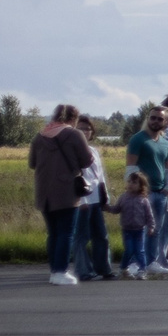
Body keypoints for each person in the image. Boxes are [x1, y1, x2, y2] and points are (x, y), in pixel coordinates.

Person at [28, 105, 94, 287]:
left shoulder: (40, 136)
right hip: (66, 190)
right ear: (74, 118)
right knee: (66, 233)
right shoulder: (74, 134)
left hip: (44, 192)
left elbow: (32, 163)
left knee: (53, 233)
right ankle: (61, 271)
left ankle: (54, 270)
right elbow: (87, 160)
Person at [126, 107, 168, 273]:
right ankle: (134, 263)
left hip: (160, 193)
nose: (155, 121)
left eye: (160, 119)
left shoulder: (165, 143)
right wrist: (134, 191)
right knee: (139, 229)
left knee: (156, 229)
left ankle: (152, 261)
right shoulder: (138, 139)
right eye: (153, 118)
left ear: (166, 122)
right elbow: (131, 167)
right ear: (148, 119)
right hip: (144, 193)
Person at [73, 118, 116, 281]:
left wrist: (105, 197)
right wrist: (81, 201)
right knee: (81, 237)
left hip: (96, 198)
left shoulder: (93, 151)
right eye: (80, 129)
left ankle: (104, 268)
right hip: (83, 199)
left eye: (87, 129)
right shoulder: (72, 151)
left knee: (101, 236)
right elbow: (74, 179)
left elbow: (100, 176)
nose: (84, 132)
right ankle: (83, 271)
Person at [117, 170, 156, 277]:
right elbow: (117, 209)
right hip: (127, 230)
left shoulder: (143, 200)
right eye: (129, 182)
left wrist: (151, 227)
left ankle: (142, 269)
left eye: (134, 183)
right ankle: (124, 268)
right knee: (129, 250)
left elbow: (149, 215)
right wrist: (108, 207)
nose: (131, 184)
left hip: (139, 230)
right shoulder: (123, 197)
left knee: (139, 250)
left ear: (141, 186)